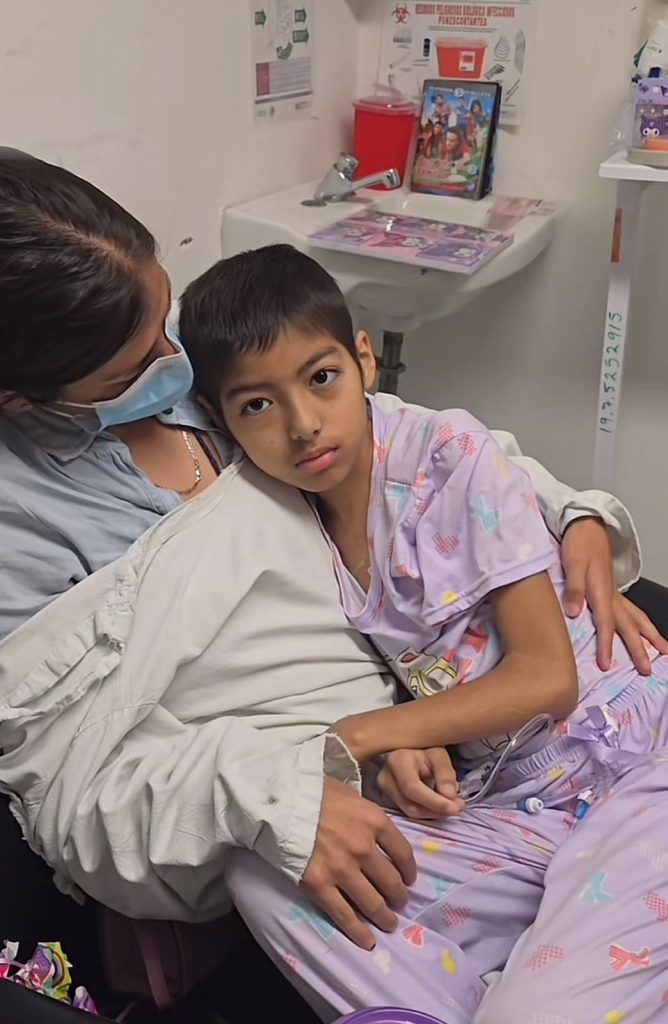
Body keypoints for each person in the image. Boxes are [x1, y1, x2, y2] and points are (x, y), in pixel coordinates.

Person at [0, 152, 663, 1021]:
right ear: (20, 398)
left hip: (527, 742)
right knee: (261, 871)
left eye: (166, 321)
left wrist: (573, 514)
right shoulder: (32, 525)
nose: (175, 362)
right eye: (135, 366)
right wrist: (292, 783)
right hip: (422, 787)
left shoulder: (230, 393)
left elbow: (423, 454)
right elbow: (71, 778)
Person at [177, 245, 668, 1023]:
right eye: (258, 406)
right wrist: (408, 750)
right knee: (267, 867)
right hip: (512, 807)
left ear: (364, 360)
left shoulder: (448, 455)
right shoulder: (297, 526)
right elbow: (422, 676)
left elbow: (547, 679)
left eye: (321, 378)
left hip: (633, 762)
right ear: (223, 421)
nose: (304, 426)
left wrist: (363, 736)